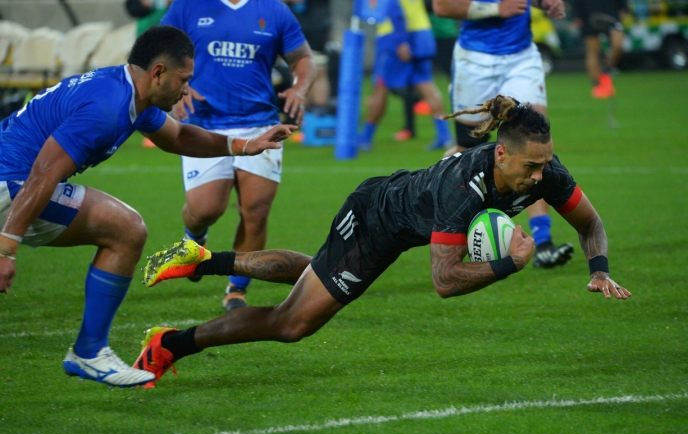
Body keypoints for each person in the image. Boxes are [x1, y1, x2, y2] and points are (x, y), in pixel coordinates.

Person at [132, 95, 632, 387]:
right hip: (375, 217)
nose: (540, 176)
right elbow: (443, 281)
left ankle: (202, 259)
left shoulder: (546, 173)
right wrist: (511, 264)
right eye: (531, 166)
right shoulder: (464, 189)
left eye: (546, 164)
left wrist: (600, 268)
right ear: (500, 154)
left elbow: (590, 224)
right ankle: (169, 345)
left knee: (317, 272)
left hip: (395, 217)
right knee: (292, 323)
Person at [0, 25, 295, 388]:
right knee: (126, 229)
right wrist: (7, 249)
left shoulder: (127, 92)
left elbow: (179, 136)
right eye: (183, 78)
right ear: (158, 73)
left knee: (123, 227)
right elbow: (42, 173)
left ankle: (90, 350)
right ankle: (90, 352)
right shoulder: (107, 107)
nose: (187, 88)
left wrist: (244, 146)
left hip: (14, 179)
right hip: (11, 185)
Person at [160, 0, 317, 312]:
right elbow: (158, 51)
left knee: (256, 210)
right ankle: (194, 238)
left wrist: (300, 89)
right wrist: (175, 87)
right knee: (206, 209)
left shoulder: (274, 10)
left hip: (260, 124)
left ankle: (237, 288)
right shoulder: (188, 6)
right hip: (202, 124)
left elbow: (304, 60)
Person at [433, 0, 574, 269]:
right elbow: (441, 7)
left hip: (521, 57)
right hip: (474, 60)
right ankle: (435, 212)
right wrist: (497, 9)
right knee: (466, 148)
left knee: (533, 143)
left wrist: (549, 3)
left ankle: (542, 242)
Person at [358, 0, 453, 152]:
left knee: (380, 87)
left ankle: (365, 139)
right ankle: (445, 135)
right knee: (426, 84)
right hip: (421, 34)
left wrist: (400, 41)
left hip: (395, 37)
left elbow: (396, 12)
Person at [571, 0, 627, 99]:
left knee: (618, 44)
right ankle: (597, 84)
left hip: (611, 14)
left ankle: (606, 70)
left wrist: (624, 8)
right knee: (593, 51)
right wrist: (576, 14)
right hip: (589, 15)